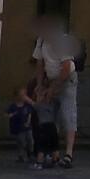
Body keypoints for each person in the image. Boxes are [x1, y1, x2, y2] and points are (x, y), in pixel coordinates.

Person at [32, 15, 80, 168]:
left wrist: (53, 89)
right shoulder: (41, 41)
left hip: (67, 79)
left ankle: (68, 154)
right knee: (50, 117)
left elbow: (66, 67)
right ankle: (53, 153)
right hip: (52, 78)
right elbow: (40, 64)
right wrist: (40, 85)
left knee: (67, 114)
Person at [5, 77, 39, 166]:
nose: (24, 97)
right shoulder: (13, 106)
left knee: (30, 140)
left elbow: (30, 112)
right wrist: (10, 115)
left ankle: (30, 153)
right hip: (18, 128)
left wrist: (28, 121)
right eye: (22, 95)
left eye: (25, 94)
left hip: (27, 127)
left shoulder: (27, 105)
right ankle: (21, 155)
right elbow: (7, 113)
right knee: (21, 142)